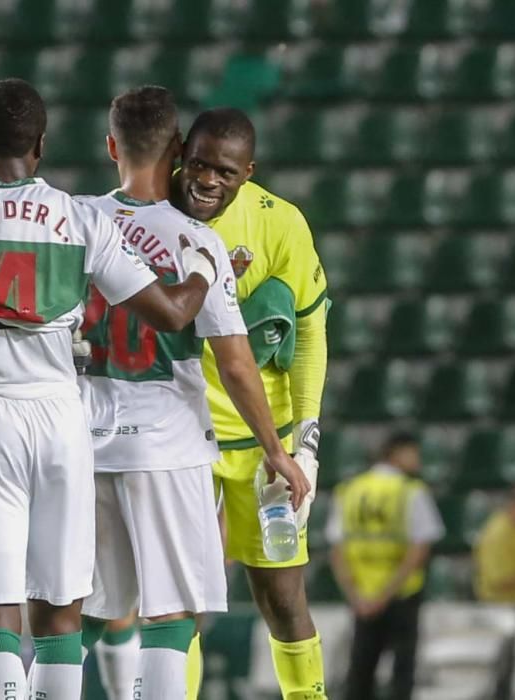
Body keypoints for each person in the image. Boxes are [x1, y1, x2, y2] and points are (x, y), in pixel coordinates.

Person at [0, 77, 222, 700]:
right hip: (64, 420)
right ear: (41, 145)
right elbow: (169, 313)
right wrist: (203, 269)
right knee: (60, 610)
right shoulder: (79, 217)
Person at [77, 87, 309, 700]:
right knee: (172, 613)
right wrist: (279, 450)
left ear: (110, 146)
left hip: (86, 439)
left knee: (83, 609)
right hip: (168, 444)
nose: (206, 178)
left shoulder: (74, 219)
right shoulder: (195, 241)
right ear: (179, 150)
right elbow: (235, 364)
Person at [171, 108, 329, 699]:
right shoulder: (152, 214)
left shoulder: (281, 224)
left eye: (227, 173)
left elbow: (311, 333)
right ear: (182, 152)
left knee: (282, 595)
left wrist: (307, 444)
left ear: (249, 173)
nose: (209, 181)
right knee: (178, 598)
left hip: (266, 442)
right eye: (201, 164)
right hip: (180, 436)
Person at [327, 432, 444, 700]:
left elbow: (338, 550)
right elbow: (418, 551)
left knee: (360, 670)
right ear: (397, 452)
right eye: (414, 453)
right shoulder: (411, 491)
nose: (418, 460)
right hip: (400, 594)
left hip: (362, 596)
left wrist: (356, 596)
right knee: (402, 672)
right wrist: (385, 595)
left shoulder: (349, 490)